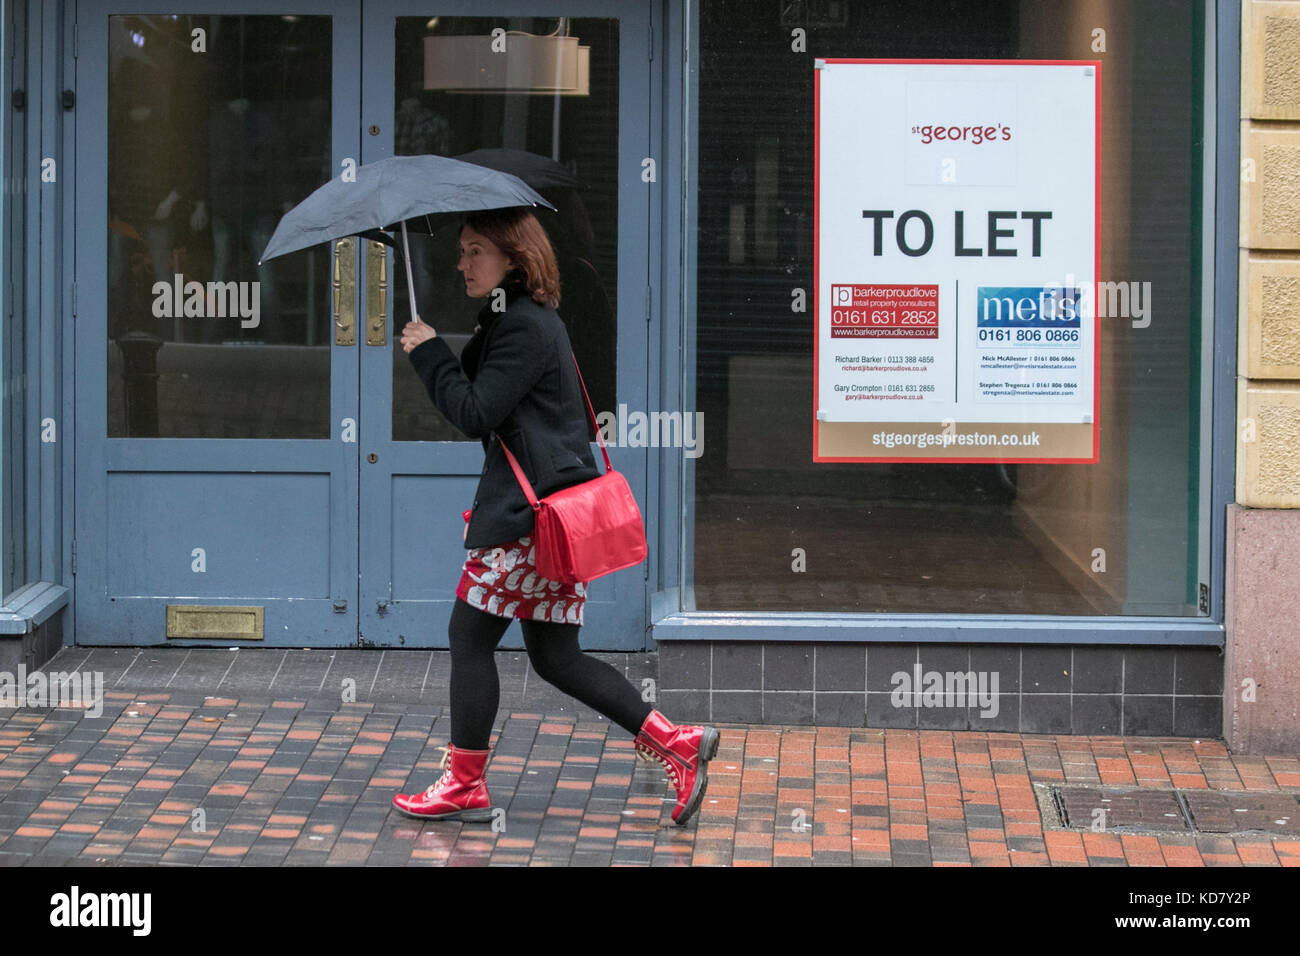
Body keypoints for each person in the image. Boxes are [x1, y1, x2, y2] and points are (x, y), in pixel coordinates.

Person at [395, 207, 718, 826]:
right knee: (555, 657)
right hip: (552, 519)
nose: (462, 263)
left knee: (469, 637)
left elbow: (474, 413)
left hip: (526, 521)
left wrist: (429, 352)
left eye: (475, 251)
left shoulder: (523, 326)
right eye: (461, 251)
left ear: (513, 258)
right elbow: (498, 404)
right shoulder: (519, 320)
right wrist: (459, 341)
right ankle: (675, 742)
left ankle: (464, 785)